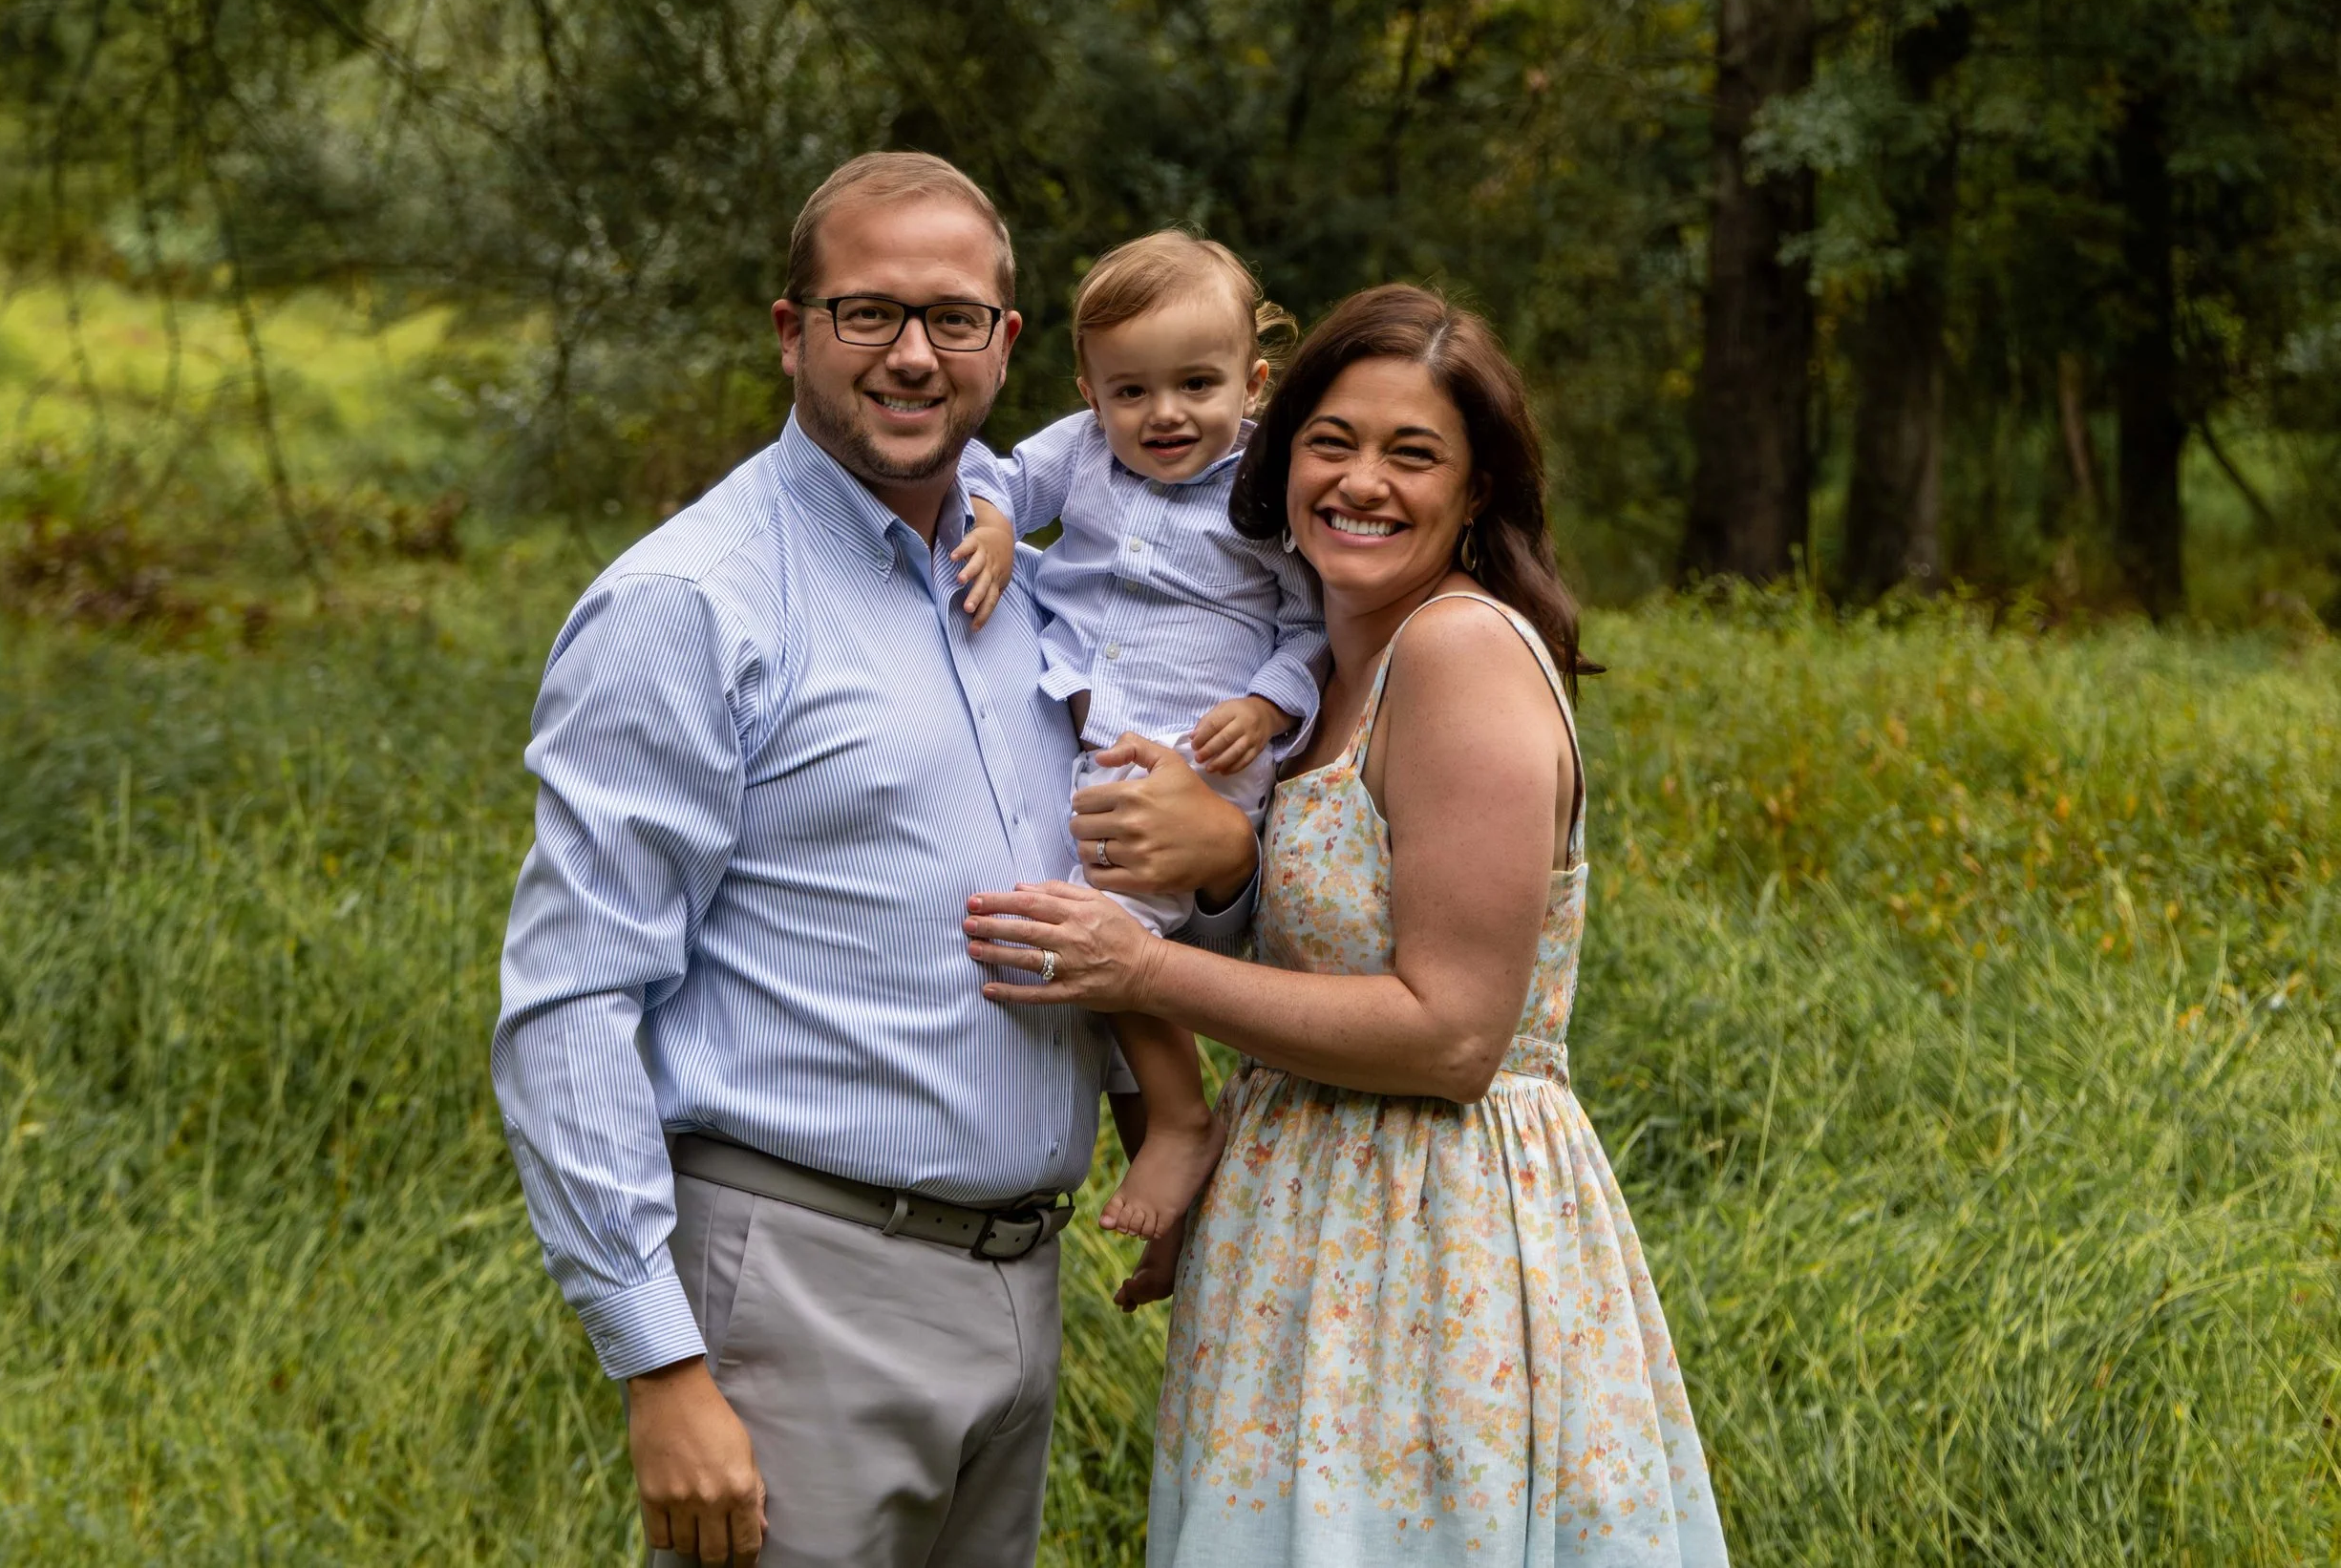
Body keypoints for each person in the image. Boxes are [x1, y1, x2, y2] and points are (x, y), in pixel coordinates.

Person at [491, 152, 1258, 1568]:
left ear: (1010, 348)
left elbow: (1098, 909)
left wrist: (1219, 872)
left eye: (954, 318)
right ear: (791, 331)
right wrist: (659, 1362)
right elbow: (572, 999)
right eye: (867, 313)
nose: (913, 353)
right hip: (797, 1293)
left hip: (1023, 1286)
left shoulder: (1033, 588)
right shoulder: (694, 602)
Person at [963, 285, 1731, 1565]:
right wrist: (1215, 868)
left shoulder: (1459, 652)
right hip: (1302, 1227)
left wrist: (1143, 964)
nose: (1361, 481)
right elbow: (1307, 935)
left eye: (1412, 452)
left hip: (1438, 1239)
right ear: (1277, 450)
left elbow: (1451, 1034)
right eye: (1332, 442)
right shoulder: (1312, 667)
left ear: (1477, 490)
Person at [953, 229, 1326, 1248]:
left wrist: (1267, 703)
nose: (1163, 414)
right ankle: (1164, 1157)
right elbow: (994, 474)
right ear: (1088, 387)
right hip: (1106, 754)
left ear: (1251, 382)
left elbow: (1307, 625)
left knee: (1106, 938)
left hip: (1201, 765)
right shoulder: (1078, 452)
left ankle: (1177, 1119)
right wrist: (991, 521)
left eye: (1196, 384)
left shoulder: (1263, 489)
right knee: (1103, 945)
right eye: (1130, 392)